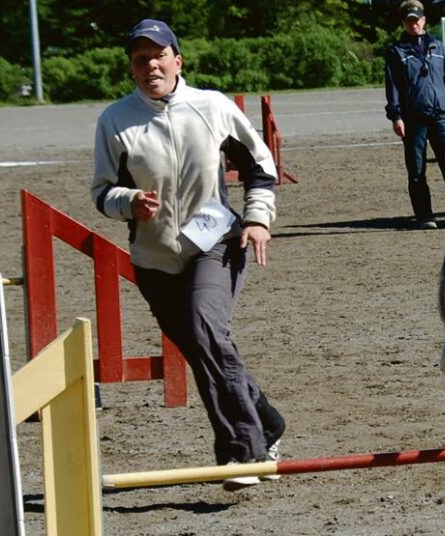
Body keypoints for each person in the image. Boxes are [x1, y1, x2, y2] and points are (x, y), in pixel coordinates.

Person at [91, 18, 285, 491]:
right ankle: (269, 423)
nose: (150, 65)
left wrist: (258, 217)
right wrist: (127, 202)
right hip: (154, 258)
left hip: (216, 241)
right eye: (140, 59)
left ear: (177, 59)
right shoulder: (115, 121)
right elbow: (101, 191)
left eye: (158, 55)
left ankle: (243, 453)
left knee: (204, 328)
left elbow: (261, 167)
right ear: (132, 69)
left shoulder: (212, 107)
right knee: (205, 350)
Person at [384, 0, 445, 229]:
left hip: (441, 115)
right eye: (409, 21)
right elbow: (392, 87)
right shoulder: (396, 52)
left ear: (424, 20)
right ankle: (425, 216)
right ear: (403, 23)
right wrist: (396, 116)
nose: (413, 24)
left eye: (417, 19)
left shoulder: (438, 47)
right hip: (413, 118)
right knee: (416, 170)